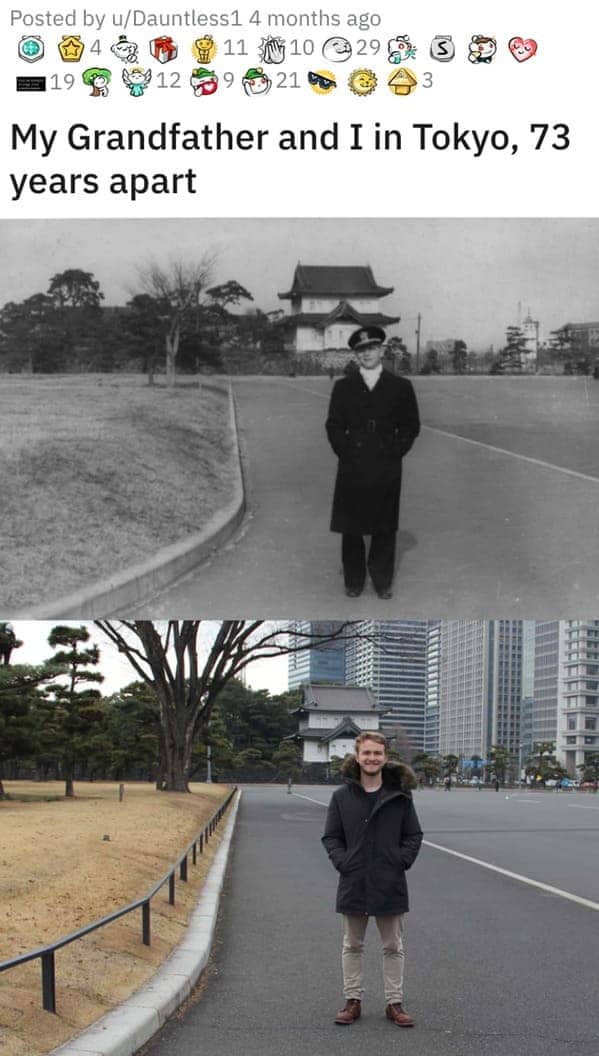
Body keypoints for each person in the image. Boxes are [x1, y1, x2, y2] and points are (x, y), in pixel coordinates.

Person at [322, 731, 423, 1028]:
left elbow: (413, 835)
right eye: (366, 753)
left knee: (393, 945)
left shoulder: (400, 796)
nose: (372, 758)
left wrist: (400, 861)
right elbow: (331, 836)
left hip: (389, 879)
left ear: (385, 757)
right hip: (354, 879)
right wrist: (343, 863)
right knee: (352, 944)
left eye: (377, 753)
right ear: (357, 756)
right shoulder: (342, 796)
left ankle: (394, 1002)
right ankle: (352, 1000)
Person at [325, 326, 420, 599]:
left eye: (372, 348)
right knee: (351, 525)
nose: (367, 354)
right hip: (352, 463)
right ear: (356, 354)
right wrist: (344, 450)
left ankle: (382, 580)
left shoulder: (401, 387)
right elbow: (333, 425)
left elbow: (411, 425)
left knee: (384, 525)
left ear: (381, 350)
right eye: (361, 350)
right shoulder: (344, 387)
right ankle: (354, 580)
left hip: (386, 464)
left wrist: (396, 451)